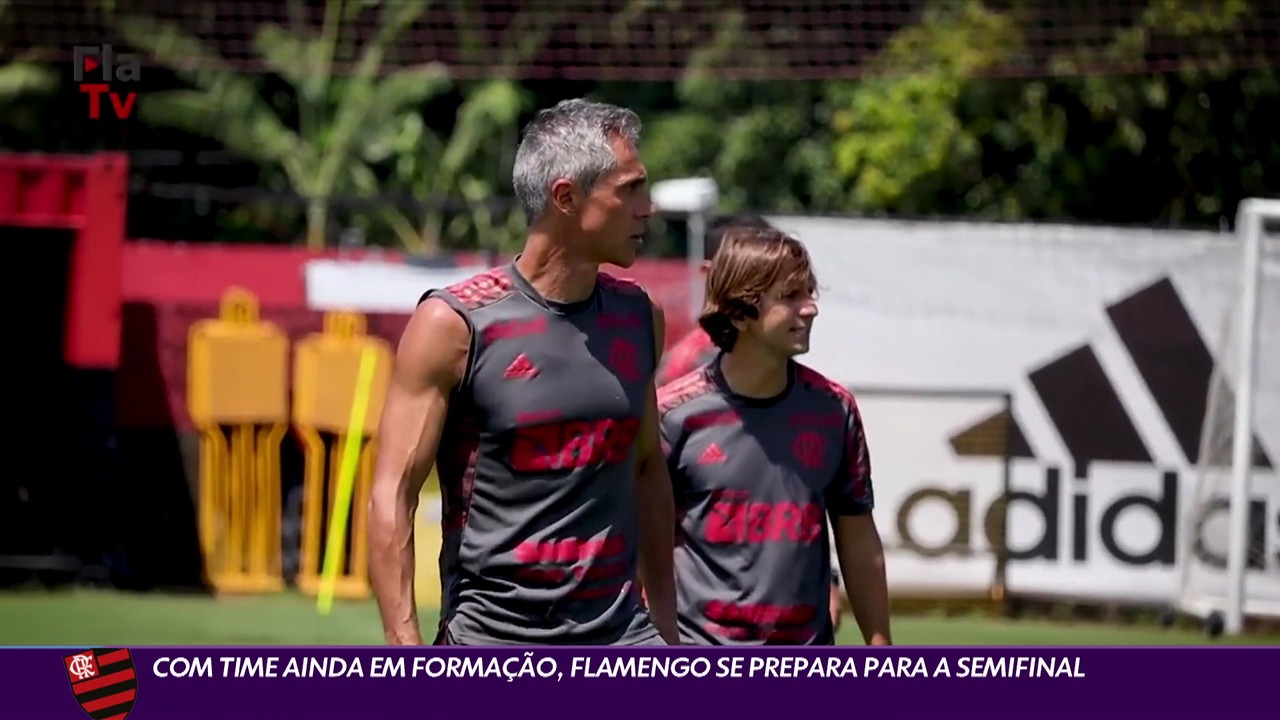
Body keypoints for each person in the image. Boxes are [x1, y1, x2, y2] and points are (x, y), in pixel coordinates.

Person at [367, 98, 678, 647]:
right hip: (493, 640)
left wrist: (669, 634)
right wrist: (405, 649)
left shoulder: (638, 318)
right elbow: (392, 494)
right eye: (629, 189)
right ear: (566, 197)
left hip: (623, 638)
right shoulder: (454, 324)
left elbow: (648, 470)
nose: (647, 208)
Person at [657, 227, 891, 646]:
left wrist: (879, 642)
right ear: (739, 312)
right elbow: (645, 544)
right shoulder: (671, 416)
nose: (811, 308)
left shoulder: (834, 410)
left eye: (810, 292)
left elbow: (857, 535)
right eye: (791, 296)